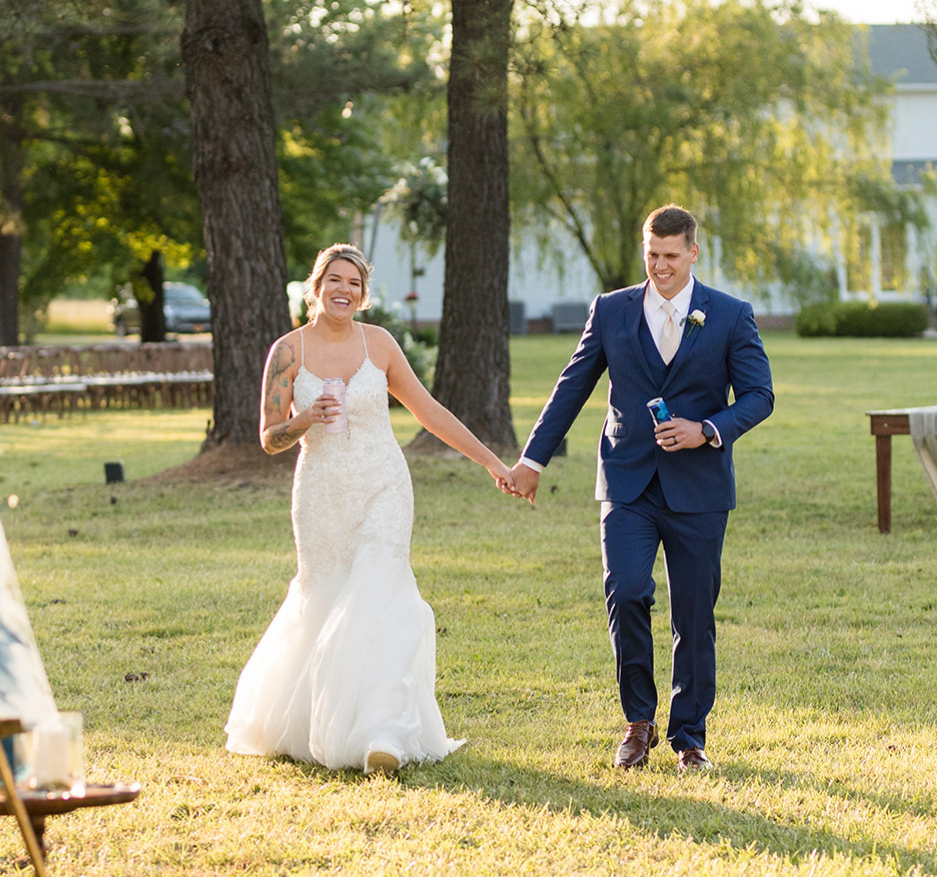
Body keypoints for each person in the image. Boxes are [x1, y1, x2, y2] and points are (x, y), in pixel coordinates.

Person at [226, 244, 516, 774]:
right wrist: (307, 416)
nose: (344, 290)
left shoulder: (379, 344)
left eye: (354, 283)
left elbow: (428, 411)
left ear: (362, 293)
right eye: (334, 280)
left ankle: (383, 732)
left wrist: (491, 462)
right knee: (328, 596)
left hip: (384, 483)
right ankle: (321, 721)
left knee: (384, 594)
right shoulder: (288, 353)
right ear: (315, 288)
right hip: (321, 490)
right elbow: (268, 438)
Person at [505, 205, 774, 772]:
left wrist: (708, 429)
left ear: (693, 253)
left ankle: (689, 736)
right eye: (651, 255)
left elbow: (759, 396)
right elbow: (572, 386)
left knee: (694, 613)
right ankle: (638, 722)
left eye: (671, 256)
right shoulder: (610, 310)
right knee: (626, 590)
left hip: (699, 489)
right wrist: (533, 459)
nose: (660, 266)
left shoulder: (729, 315)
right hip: (626, 480)